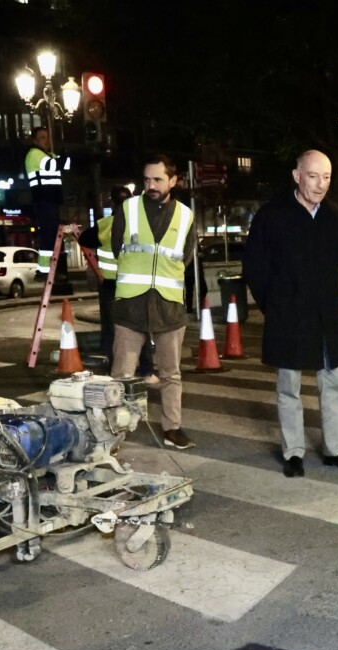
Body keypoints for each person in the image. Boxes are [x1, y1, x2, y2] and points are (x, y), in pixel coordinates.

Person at [243, 149, 338, 478]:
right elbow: (255, 267)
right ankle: (293, 452)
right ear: (297, 176)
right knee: (289, 387)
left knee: (333, 385)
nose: (321, 184)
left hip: (327, 316)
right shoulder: (272, 216)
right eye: (313, 176)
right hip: (288, 315)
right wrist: (274, 305)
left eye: (326, 177)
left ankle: (335, 449)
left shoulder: (333, 215)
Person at [110, 155, 195, 450]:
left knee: (171, 374)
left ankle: (173, 429)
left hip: (169, 306)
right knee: (121, 375)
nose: (151, 185)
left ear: (173, 181)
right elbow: (116, 248)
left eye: (158, 179)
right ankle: (114, 435)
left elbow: (185, 255)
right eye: (147, 180)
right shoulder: (128, 209)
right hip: (131, 305)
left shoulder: (186, 215)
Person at [77, 185, 155, 380]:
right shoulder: (141, 224)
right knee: (140, 326)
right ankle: (146, 369)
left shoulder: (105, 224)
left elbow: (84, 239)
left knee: (112, 330)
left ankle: (116, 369)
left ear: (112, 202)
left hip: (110, 286)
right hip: (136, 284)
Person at [24, 126, 70, 283]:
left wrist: (64, 157)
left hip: (52, 199)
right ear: (35, 140)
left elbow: (66, 165)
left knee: (52, 234)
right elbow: (54, 165)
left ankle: (49, 269)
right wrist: (63, 157)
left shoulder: (49, 155)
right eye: (42, 137)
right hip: (43, 199)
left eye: (47, 137)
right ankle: (43, 270)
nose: (46, 141)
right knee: (48, 233)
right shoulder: (34, 154)